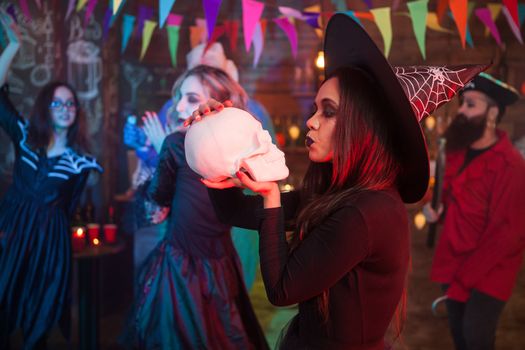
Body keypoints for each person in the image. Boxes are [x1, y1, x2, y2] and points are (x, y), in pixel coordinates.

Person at [190, 14, 486, 350]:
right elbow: (235, 212)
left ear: (361, 127)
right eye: (316, 109)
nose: (311, 122)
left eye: (327, 112)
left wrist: (272, 196)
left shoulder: (368, 212)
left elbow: (283, 289)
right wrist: (212, 144)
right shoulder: (335, 193)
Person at [120, 65, 268, 350]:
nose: (178, 107)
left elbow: (155, 204)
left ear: (215, 102)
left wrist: (159, 148)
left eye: (190, 98)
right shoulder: (237, 149)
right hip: (214, 266)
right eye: (179, 97)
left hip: (183, 269)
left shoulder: (176, 143)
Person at [0, 13, 102, 349]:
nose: (64, 107)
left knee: (39, 321)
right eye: (57, 101)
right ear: (47, 107)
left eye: (70, 103)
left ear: (76, 112)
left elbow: (71, 206)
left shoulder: (81, 162)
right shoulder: (26, 138)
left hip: (49, 245)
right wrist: (14, 44)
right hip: (12, 233)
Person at [424, 73, 525, 350]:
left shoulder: (512, 165)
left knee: (476, 337)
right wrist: (435, 212)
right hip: (453, 260)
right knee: (459, 336)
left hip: (490, 270)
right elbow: (444, 201)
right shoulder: (455, 153)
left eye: (471, 104)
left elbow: (508, 234)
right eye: (462, 103)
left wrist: (464, 279)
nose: (462, 111)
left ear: (492, 112)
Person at [187, 42, 276, 290]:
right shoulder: (182, 111)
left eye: (214, 76)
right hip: (192, 225)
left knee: (233, 291)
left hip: (239, 221)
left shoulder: (252, 112)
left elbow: (271, 162)